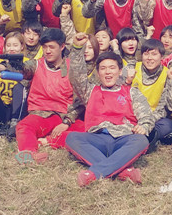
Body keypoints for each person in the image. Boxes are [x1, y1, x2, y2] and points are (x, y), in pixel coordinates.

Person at [65, 39, 155, 187]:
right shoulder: (90, 91)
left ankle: (95, 173)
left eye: (112, 68)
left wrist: (144, 126)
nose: (107, 72)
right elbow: (76, 77)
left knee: (141, 141)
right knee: (72, 138)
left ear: (120, 71)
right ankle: (123, 171)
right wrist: (77, 48)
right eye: (103, 68)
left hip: (124, 138)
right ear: (98, 72)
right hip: (97, 138)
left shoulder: (131, 92)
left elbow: (146, 116)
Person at [14, 28, 80, 164]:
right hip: (41, 115)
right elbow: (23, 70)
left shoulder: (73, 68)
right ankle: (29, 153)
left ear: (62, 47)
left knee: (87, 131)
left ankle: (49, 141)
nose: (47, 51)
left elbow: (80, 100)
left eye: (51, 47)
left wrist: (66, 122)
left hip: (64, 116)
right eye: (44, 47)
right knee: (24, 126)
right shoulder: (36, 64)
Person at [127, 39, 172, 152]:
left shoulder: (167, 74)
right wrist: (127, 81)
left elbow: (163, 108)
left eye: (154, 54)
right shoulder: (132, 68)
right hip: (131, 116)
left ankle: (148, 137)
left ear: (161, 56)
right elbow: (119, 95)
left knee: (167, 125)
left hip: (154, 118)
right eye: (146, 54)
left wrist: (147, 124)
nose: (149, 58)